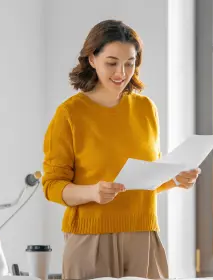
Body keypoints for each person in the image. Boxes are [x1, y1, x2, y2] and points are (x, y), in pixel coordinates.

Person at [42, 19, 201, 279]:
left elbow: (144, 178)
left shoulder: (145, 109)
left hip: (143, 236)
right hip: (89, 240)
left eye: (130, 63)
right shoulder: (69, 114)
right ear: (92, 59)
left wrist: (173, 179)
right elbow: (52, 186)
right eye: (112, 63)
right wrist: (93, 192)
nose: (121, 73)